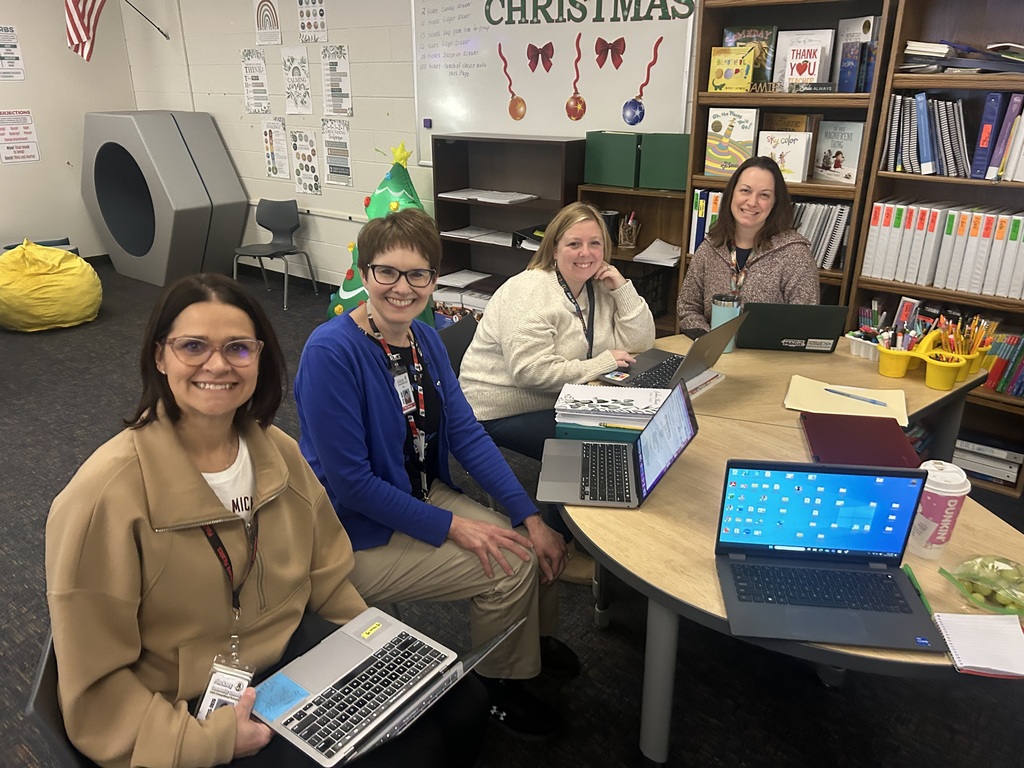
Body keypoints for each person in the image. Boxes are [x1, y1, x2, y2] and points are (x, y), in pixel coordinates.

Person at [45, 273, 488, 768]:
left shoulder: (276, 453)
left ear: (259, 357)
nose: (217, 364)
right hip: (186, 702)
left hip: (288, 656)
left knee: (461, 703)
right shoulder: (103, 497)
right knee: (412, 755)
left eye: (238, 348)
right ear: (159, 356)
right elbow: (95, 693)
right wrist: (208, 742)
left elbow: (327, 574)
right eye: (193, 346)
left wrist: (375, 645)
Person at [293, 208, 578, 740]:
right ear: (362, 273)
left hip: (416, 493)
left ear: (433, 279)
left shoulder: (424, 341)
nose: (403, 288)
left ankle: (529, 643)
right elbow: (352, 484)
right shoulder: (331, 352)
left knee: (530, 536)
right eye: (387, 272)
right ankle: (497, 689)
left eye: (418, 274)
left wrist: (529, 515)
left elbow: (467, 434)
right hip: (352, 531)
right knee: (509, 564)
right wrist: (453, 528)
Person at [457, 201, 656, 483]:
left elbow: (641, 343)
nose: (586, 253)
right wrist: (601, 364)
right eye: (574, 244)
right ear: (554, 249)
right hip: (501, 410)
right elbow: (530, 372)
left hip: (561, 398)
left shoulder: (598, 284)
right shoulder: (529, 292)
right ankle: (560, 523)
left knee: (633, 429)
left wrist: (622, 289)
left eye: (595, 243)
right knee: (598, 451)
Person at [676, 156, 819, 334]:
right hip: (713, 355)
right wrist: (711, 342)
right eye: (745, 191)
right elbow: (687, 307)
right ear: (731, 194)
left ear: (775, 203)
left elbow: (804, 320)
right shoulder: (710, 247)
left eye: (764, 195)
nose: (752, 202)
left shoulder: (795, 254)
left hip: (769, 357)